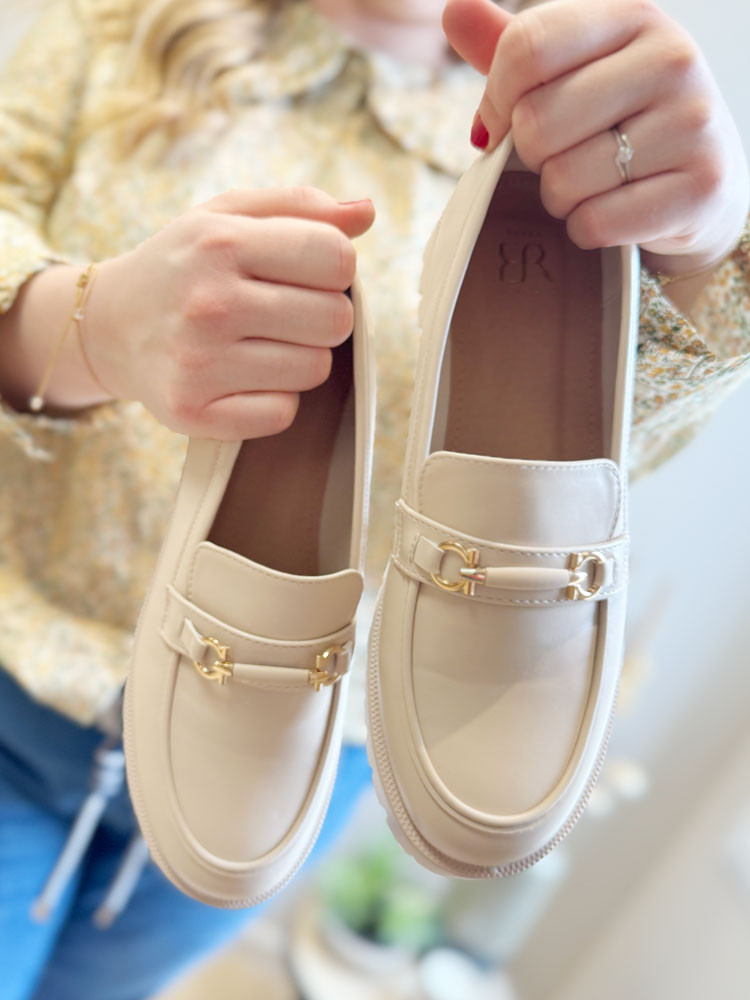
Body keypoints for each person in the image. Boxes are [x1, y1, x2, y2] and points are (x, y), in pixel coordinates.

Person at [0, 0, 747, 997]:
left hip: (310, 742)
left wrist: (701, 255)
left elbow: (623, 438)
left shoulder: (590, 135)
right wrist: (96, 327)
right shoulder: (115, 25)